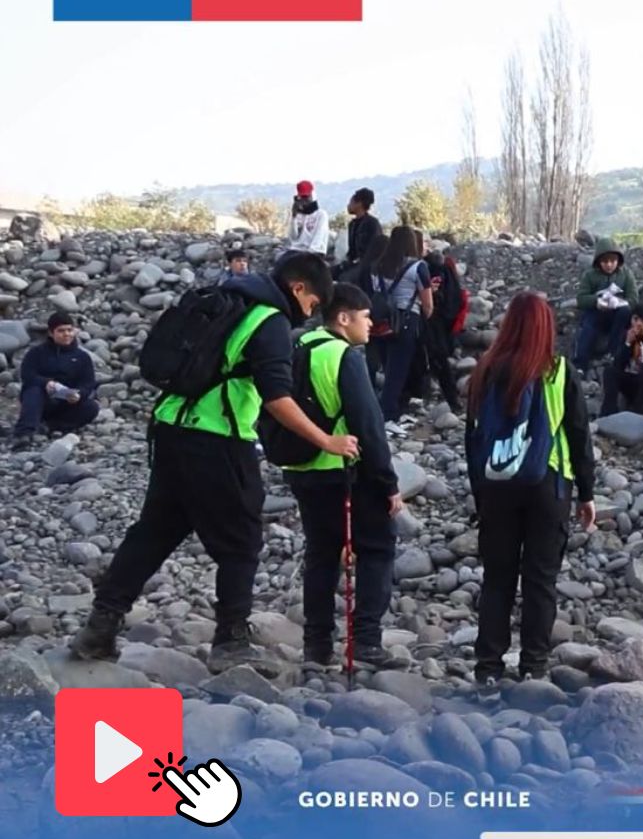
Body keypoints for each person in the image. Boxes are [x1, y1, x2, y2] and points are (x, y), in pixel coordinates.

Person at [69, 254, 358, 673]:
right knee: (242, 542)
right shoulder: (270, 321)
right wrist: (326, 440)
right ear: (298, 288)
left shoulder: (227, 301)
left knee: (154, 532)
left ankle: (99, 628)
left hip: (170, 428)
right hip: (218, 437)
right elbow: (277, 398)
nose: (310, 313)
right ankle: (231, 641)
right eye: (313, 303)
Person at [465, 292, 595, 684]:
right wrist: (586, 493)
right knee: (540, 579)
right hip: (547, 481)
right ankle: (533, 667)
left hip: (497, 483)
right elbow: (578, 434)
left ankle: (488, 668)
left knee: (497, 578)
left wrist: (480, 493)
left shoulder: (485, 371)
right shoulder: (558, 371)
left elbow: (473, 439)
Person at [279, 283, 401, 667]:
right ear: (344, 318)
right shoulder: (344, 356)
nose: (371, 324)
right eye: (365, 317)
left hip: (301, 467)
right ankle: (366, 641)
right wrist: (388, 483)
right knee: (377, 547)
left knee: (321, 554)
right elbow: (368, 424)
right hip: (344, 470)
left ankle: (316, 646)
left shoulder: (297, 345)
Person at [370, 226, 433, 428]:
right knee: (398, 370)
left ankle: (384, 408)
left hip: (381, 321)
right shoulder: (418, 267)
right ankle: (388, 414)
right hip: (406, 320)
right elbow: (427, 304)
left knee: (387, 366)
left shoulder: (378, 265)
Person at [9, 312, 100, 451]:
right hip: (42, 400)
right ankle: (24, 434)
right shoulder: (36, 353)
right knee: (33, 390)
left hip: (67, 402)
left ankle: (50, 427)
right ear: (51, 333)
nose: (66, 334)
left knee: (92, 407)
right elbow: (27, 376)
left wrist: (79, 394)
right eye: (61, 331)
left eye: (69, 330)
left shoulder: (82, 357)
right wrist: (45, 383)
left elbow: (88, 384)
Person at [574, 238, 637, 372]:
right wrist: (596, 301)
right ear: (598, 261)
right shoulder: (590, 275)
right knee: (588, 326)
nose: (609, 265)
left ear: (618, 260)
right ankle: (580, 365)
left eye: (612, 261)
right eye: (605, 261)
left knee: (625, 312)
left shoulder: (626, 274)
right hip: (597, 313)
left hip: (618, 315)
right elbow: (581, 299)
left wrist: (619, 302)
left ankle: (612, 354)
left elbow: (633, 298)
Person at [418, 250, 464, 412]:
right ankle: (452, 400)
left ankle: (421, 397)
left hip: (428, 321)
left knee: (428, 361)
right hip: (441, 324)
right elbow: (454, 300)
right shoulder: (447, 271)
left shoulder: (425, 270)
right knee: (441, 363)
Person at [602, 304, 643, 416]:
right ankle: (608, 411)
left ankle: (639, 410)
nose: (639, 324)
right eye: (635, 319)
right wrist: (627, 343)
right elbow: (618, 365)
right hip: (635, 380)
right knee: (609, 372)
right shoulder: (628, 335)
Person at [342, 188, 382, 275]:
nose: (348, 205)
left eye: (351, 202)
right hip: (353, 265)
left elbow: (376, 250)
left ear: (359, 204)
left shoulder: (372, 223)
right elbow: (352, 251)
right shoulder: (352, 224)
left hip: (367, 268)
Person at [287, 181, 331, 256]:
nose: (304, 201)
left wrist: (309, 253)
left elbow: (318, 238)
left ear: (312, 196)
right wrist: (294, 217)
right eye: (302, 197)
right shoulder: (298, 215)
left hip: (314, 252)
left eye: (306, 197)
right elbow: (293, 237)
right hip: (297, 250)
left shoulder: (321, 215)